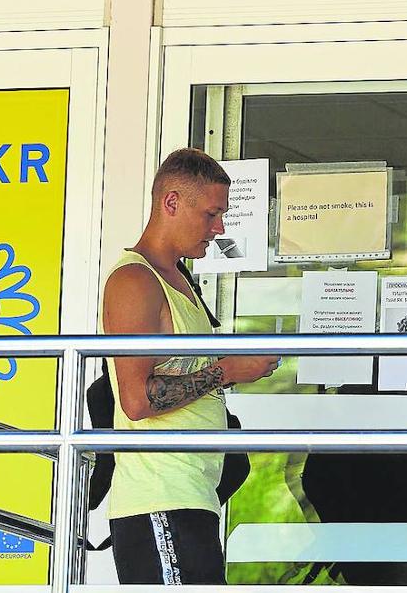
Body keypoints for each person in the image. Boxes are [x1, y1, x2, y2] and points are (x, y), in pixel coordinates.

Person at [101, 148, 278, 585]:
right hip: (158, 496)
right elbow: (137, 399)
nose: (219, 229)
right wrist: (227, 371)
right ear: (172, 203)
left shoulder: (179, 279)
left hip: (193, 494)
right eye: (211, 214)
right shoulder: (134, 281)